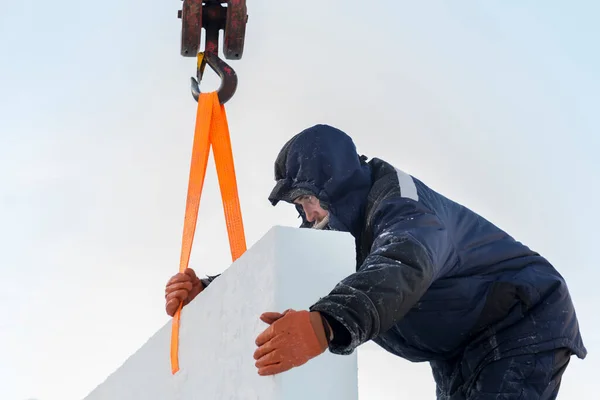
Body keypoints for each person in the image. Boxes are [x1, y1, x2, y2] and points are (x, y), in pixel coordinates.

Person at [164, 124, 586, 399]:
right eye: (299, 205)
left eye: (309, 199)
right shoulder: (339, 233)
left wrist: (326, 323)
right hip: (458, 348)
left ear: (336, 181)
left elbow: (404, 262)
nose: (308, 214)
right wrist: (208, 290)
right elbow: (287, 271)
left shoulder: (401, 207)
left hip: (519, 318)